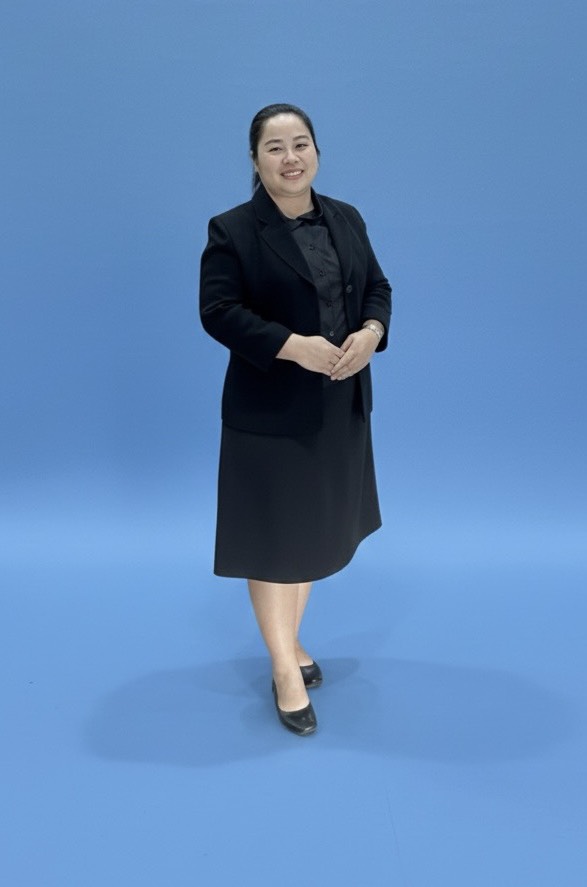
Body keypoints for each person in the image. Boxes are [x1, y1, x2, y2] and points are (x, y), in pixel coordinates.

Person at [199, 103, 391, 736]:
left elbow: (378, 288)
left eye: (300, 143)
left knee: (310, 534)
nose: (290, 157)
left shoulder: (346, 217)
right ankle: (284, 667)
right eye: (275, 147)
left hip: (339, 405)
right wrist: (291, 346)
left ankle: (289, 639)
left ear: (317, 152)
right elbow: (218, 312)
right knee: (273, 539)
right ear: (255, 160)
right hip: (270, 412)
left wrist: (372, 332)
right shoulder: (232, 230)